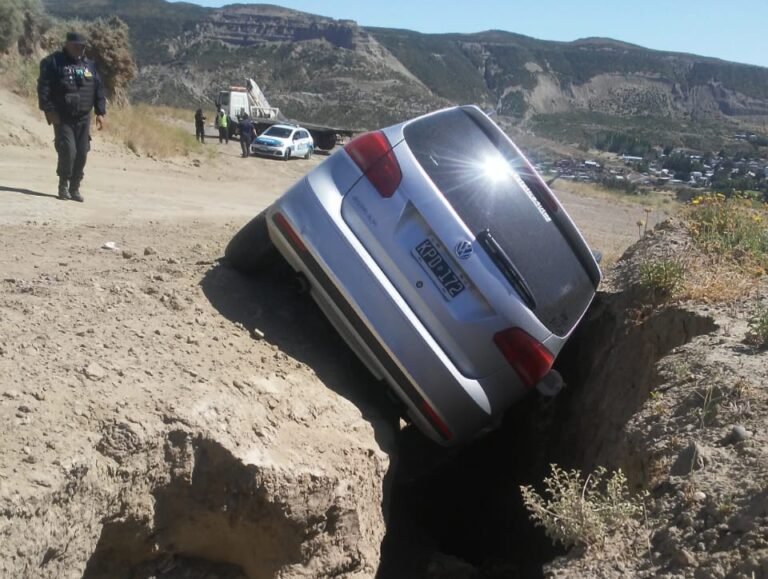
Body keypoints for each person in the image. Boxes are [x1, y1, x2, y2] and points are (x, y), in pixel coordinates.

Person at [37, 32, 106, 202]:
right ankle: (63, 185)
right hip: (62, 116)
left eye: (82, 46)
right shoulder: (54, 62)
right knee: (68, 150)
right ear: (67, 45)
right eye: (76, 45)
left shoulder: (89, 65)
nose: (79, 49)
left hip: (84, 117)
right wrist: (48, 110)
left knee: (82, 152)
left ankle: (75, 188)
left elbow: (98, 89)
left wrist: (100, 112)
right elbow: (43, 88)